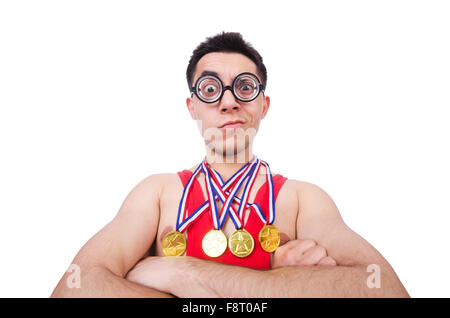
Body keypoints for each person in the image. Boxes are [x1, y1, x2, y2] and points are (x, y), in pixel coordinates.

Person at [51, 32, 409, 298]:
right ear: (192, 107)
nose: (228, 102)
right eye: (210, 89)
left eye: (244, 87)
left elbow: (384, 288)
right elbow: (73, 288)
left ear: (263, 105)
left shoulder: (302, 199)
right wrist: (284, 288)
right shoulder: (157, 193)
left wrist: (182, 274)